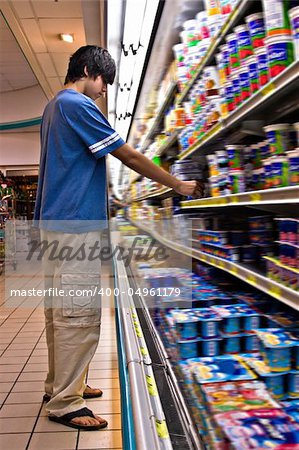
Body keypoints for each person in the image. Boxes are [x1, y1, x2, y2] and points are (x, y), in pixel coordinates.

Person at [34, 45, 203, 431]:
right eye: (104, 82)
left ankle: (60, 385)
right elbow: (128, 156)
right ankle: (65, 403)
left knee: (60, 313)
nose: (104, 90)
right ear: (89, 70)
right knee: (79, 315)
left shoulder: (52, 107)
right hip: (75, 226)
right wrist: (177, 183)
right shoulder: (75, 104)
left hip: (55, 223)